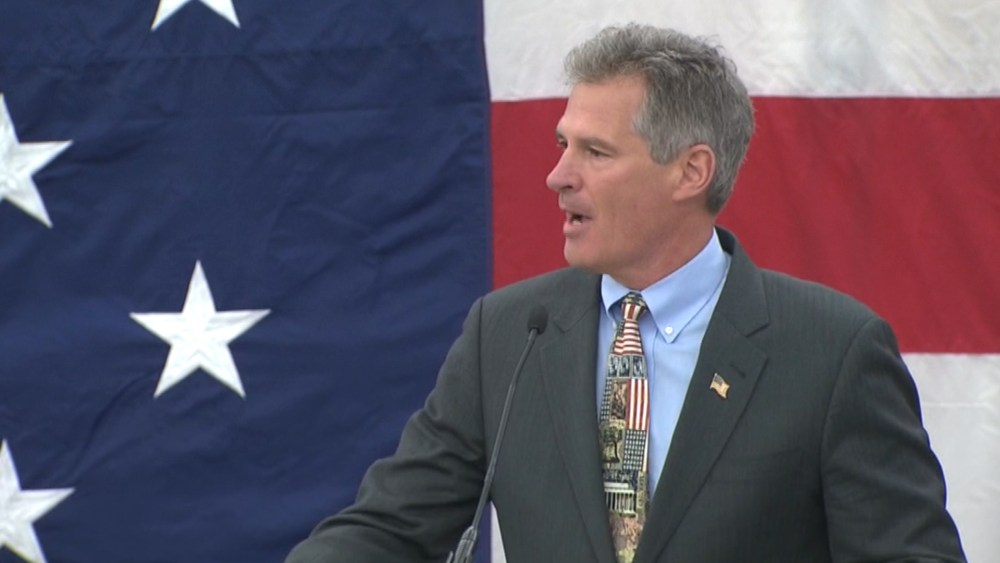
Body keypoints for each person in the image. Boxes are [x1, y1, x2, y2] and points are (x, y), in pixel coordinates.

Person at [286, 23, 965, 562]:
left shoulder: (832, 350)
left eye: (595, 152)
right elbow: (389, 531)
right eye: (562, 145)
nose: (557, 175)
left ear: (690, 171)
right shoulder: (509, 333)